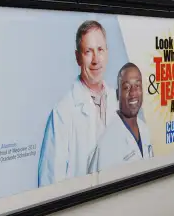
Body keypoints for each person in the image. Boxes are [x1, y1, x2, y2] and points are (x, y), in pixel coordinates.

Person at [38, 20, 119, 186]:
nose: (96, 59)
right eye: (88, 51)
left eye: (100, 50)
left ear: (107, 53)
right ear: (77, 57)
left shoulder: (118, 102)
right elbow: (49, 184)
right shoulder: (63, 112)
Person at [89, 63, 153, 173]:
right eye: (127, 87)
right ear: (117, 94)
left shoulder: (144, 129)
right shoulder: (107, 143)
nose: (133, 93)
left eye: (137, 86)